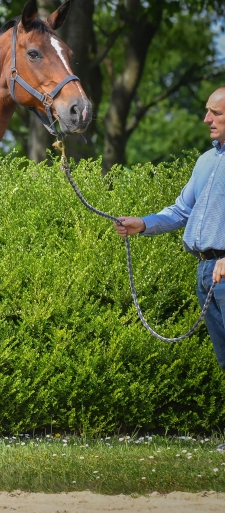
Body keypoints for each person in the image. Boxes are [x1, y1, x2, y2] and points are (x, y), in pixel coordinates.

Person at [116, 88, 225, 448]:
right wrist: (142, 224)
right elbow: (180, 211)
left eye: (216, 113)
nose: (206, 119)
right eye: (207, 111)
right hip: (205, 272)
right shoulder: (206, 161)